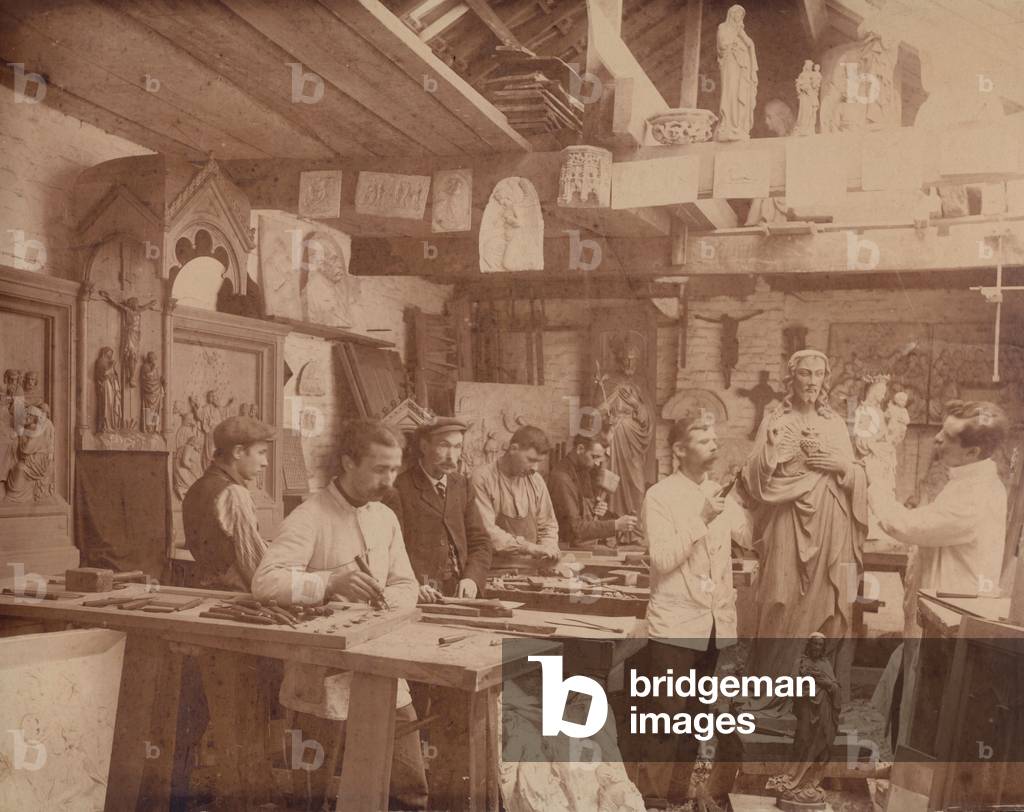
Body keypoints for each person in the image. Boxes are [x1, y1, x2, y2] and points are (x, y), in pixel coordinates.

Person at [251, 419, 427, 810]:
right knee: (311, 795)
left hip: (382, 667)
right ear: (348, 462)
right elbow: (265, 582)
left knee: (409, 786)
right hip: (321, 674)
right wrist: (329, 582)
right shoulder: (310, 515)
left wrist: (387, 607)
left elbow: (405, 583)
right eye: (380, 468)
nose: (389, 479)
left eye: (395, 468)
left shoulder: (384, 517)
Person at [866, 400, 1008, 749]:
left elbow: (907, 525)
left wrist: (874, 483)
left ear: (973, 451)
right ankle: (903, 775)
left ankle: (915, 790)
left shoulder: (976, 495)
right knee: (912, 698)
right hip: (937, 615)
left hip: (949, 622)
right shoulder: (965, 481)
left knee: (929, 714)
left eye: (947, 437)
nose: (936, 440)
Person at [636, 413, 751, 806]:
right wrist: (701, 519)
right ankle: (651, 800)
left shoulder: (721, 493)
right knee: (664, 715)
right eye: (703, 440)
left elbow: (750, 538)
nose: (714, 445)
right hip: (676, 623)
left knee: (694, 715)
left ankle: (676, 796)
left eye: (715, 439)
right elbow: (662, 559)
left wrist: (765, 501)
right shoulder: (660, 495)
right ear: (679, 451)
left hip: (714, 625)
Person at [741, 349, 867, 683]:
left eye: (818, 374)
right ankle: (770, 685)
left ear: (826, 379)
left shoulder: (835, 423)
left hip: (830, 522)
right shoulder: (775, 420)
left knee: (826, 603)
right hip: (785, 521)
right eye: (805, 374)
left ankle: (811, 690)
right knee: (778, 598)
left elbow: (856, 475)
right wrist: (769, 453)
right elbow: (751, 479)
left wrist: (840, 466)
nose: (812, 381)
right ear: (791, 378)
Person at [385, 417, 492, 601]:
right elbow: (390, 551)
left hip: (460, 592)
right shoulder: (399, 489)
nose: (452, 456)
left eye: (457, 447)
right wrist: (413, 585)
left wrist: (472, 579)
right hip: (422, 593)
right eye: (444, 445)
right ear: (424, 447)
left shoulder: (462, 485)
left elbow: (480, 542)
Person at [182, 415, 274, 591]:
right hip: (237, 597)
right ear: (238, 452)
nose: (265, 463)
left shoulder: (197, 487)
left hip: (206, 592)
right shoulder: (234, 494)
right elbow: (255, 564)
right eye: (261, 453)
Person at [470, 424, 560, 573]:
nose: (535, 468)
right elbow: (486, 532)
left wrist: (548, 548)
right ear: (513, 449)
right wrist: (528, 547)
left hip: (533, 571)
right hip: (492, 570)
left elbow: (548, 524)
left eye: (538, 462)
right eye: (531, 459)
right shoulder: (481, 478)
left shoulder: (536, 480)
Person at [548, 434, 636, 550]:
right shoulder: (562, 478)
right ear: (580, 449)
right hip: (567, 548)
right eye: (594, 457)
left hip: (582, 543)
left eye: (600, 458)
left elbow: (582, 512)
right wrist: (616, 525)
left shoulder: (583, 470)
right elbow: (575, 529)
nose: (597, 463)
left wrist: (596, 509)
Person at [715, 4, 758, 141]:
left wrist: (742, 35)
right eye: (736, 13)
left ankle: (739, 125)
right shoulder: (723, 27)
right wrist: (735, 37)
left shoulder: (740, 30)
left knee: (742, 93)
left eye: (740, 14)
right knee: (731, 92)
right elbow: (722, 45)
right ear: (731, 14)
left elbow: (750, 44)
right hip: (730, 64)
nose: (738, 16)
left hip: (743, 67)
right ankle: (728, 123)